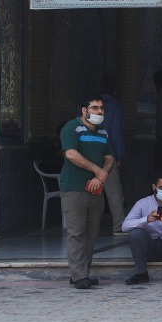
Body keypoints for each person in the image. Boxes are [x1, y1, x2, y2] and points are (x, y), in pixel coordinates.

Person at [59, 93, 115, 289]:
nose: (100, 112)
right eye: (95, 108)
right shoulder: (71, 128)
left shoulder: (103, 133)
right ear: (84, 110)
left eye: (102, 109)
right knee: (76, 233)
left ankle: (82, 273)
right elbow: (71, 154)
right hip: (74, 188)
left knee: (91, 234)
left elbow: (109, 158)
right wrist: (96, 170)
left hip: (96, 189)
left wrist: (100, 177)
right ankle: (79, 275)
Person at [100, 77, 127, 235]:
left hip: (90, 155)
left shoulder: (91, 106)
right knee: (114, 193)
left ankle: (87, 227)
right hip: (108, 155)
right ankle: (118, 226)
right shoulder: (114, 107)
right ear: (115, 91)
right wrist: (119, 156)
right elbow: (116, 134)